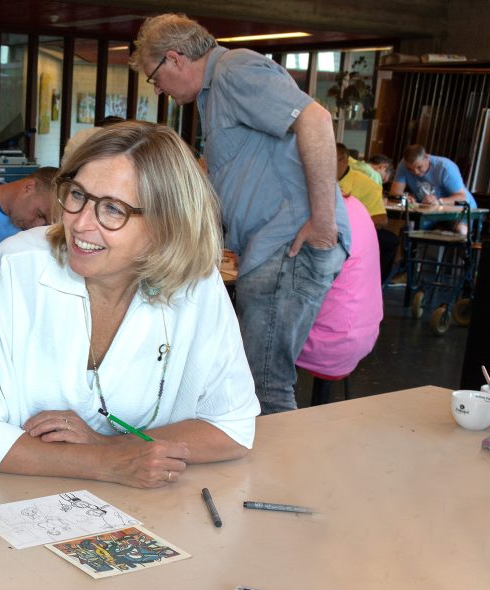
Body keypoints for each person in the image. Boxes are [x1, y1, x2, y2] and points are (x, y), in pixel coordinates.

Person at [0, 121, 259, 488]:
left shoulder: (196, 282)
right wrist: (107, 461)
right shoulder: (15, 267)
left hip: (137, 508)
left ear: (165, 224)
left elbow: (232, 426)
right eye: (77, 195)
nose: (79, 224)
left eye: (112, 209)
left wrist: (110, 446)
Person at [132, 14, 349, 415]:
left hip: (288, 242)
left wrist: (323, 222)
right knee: (254, 379)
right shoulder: (213, 93)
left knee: (263, 384)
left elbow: (315, 120)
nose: (158, 88)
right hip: (269, 246)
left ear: (176, 59)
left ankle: (277, 479)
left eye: (154, 76)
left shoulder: (234, 70)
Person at [296, 195, 383, 381]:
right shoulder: (356, 205)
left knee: (242, 325)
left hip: (326, 343)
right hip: (363, 334)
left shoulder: (318, 214)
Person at [337, 144, 397, 281]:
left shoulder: (366, 182)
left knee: (389, 241)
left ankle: (376, 282)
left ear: (343, 162)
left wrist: (354, 224)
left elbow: (381, 220)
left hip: (351, 234)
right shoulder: (315, 177)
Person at [390, 144, 477, 234]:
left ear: (426, 157)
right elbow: (395, 193)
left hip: (458, 208)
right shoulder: (403, 165)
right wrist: (406, 198)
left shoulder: (445, 167)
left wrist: (439, 201)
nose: (415, 172)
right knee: (409, 228)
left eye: (419, 167)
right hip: (429, 209)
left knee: (461, 231)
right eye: (410, 169)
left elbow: (462, 197)